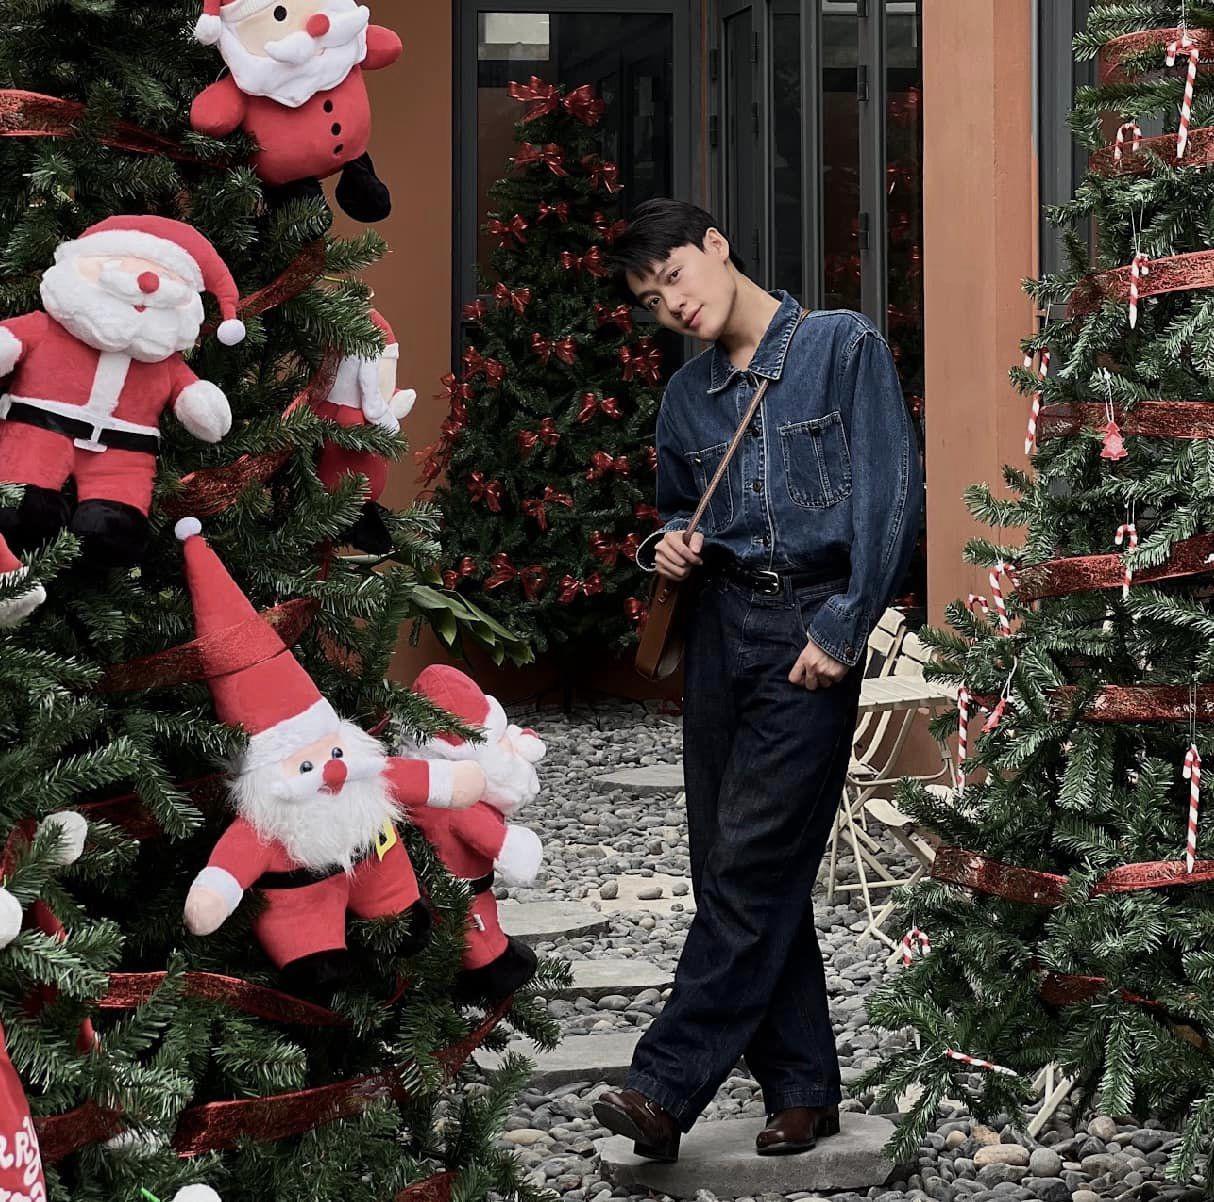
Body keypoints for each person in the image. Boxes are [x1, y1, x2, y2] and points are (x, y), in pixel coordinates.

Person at [594, 199, 923, 1162]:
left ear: (717, 246)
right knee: (735, 866)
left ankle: (663, 1088)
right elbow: (672, 508)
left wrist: (845, 625)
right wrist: (668, 546)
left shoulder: (840, 347)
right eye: (651, 300)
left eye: (675, 277)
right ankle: (802, 1087)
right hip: (719, 631)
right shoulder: (686, 398)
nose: (672, 304)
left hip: (807, 632)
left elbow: (892, 497)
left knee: (749, 861)